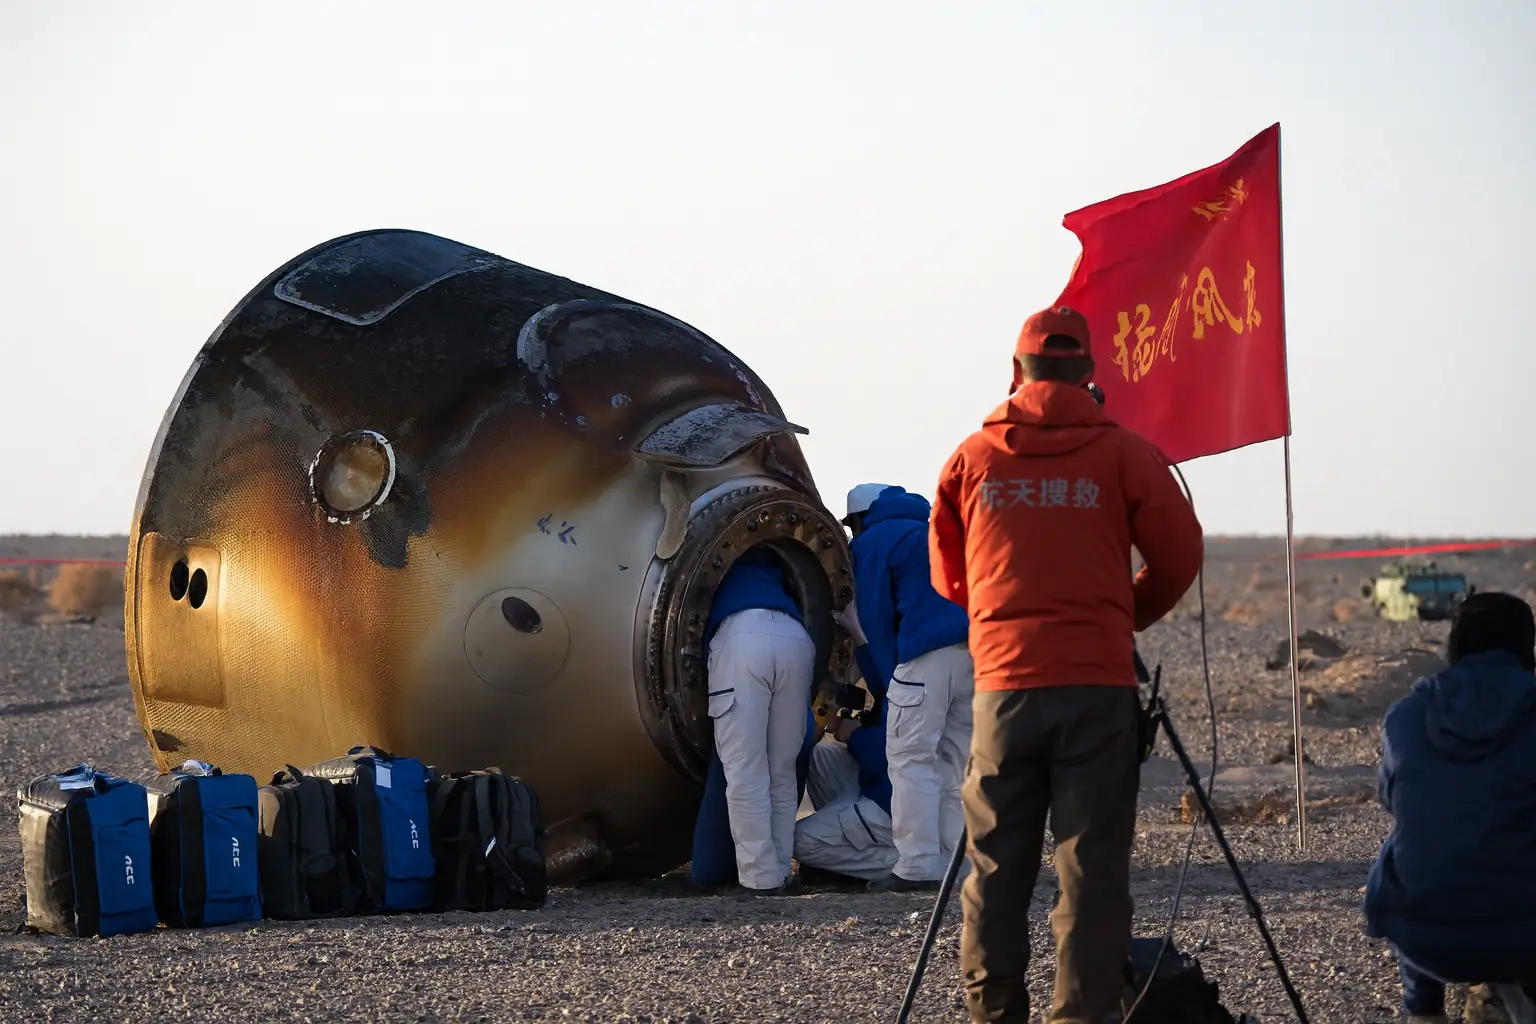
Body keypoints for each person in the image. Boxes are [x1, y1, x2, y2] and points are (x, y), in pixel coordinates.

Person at [929, 305, 1204, 1024]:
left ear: (1018, 373)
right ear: (1088, 373)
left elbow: (949, 578)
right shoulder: (1125, 455)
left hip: (1003, 692)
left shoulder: (972, 459)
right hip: (1097, 687)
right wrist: (1121, 616)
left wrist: (999, 625)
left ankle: (994, 1015)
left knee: (993, 869)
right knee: (1090, 871)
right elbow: (1180, 556)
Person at [1364, 591, 1536, 1024]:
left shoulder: (1406, 714)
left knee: (1411, 844)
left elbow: (1393, 799)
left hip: (1426, 941)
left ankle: (1423, 1010)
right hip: (1523, 934)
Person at [839, 482, 974, 892]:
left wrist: (883, 684)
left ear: (860, 520)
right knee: (955, 763)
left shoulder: (874, 541)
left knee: (910, 760)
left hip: (926, 656)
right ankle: (958, 865)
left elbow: (875, 623)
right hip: (976, 654)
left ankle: (916, 868)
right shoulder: (941, 532)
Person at [694, 545, 816, 893]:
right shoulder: (774, 567)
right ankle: (779, 870)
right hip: (795, 637)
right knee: (782, 769)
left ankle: (759, 877)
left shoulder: (720, 561)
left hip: (742, 638)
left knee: (745, 769)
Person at [792, 656, 899, 883]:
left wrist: (854, 733)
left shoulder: (910, 682)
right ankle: (843, 849)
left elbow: (884, 758)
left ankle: (904, 865)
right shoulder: (894, 674)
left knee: (795, 841)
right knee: (820, 757)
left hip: (892, 802)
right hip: (881, 790)